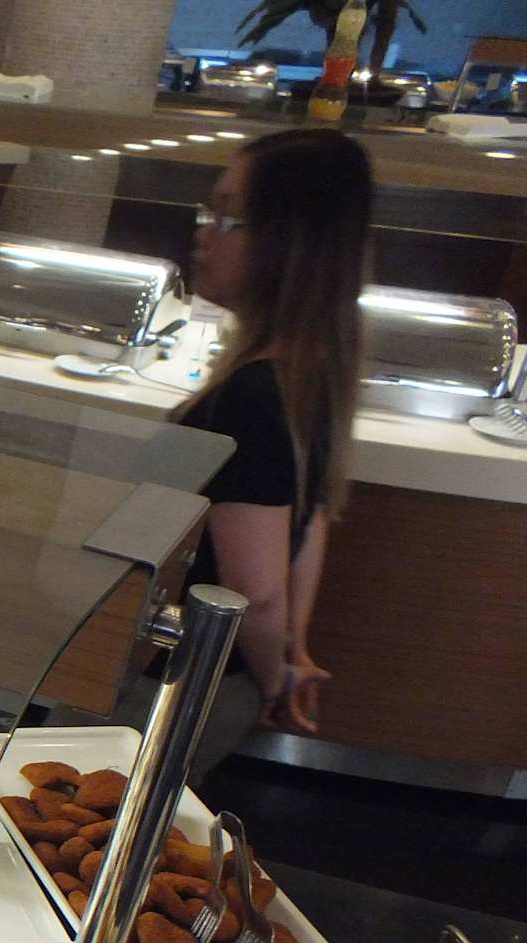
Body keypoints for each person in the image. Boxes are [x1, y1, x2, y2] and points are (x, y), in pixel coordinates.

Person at [176, 127, 372, 772]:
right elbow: (308, 520)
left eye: (229, 218)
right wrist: (291, 649)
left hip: (181, 680)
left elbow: (252, 592)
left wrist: (274, 677)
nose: (205, 233)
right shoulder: (312, 373)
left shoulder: (250, 396)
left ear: (288, 245)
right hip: (224, 680)